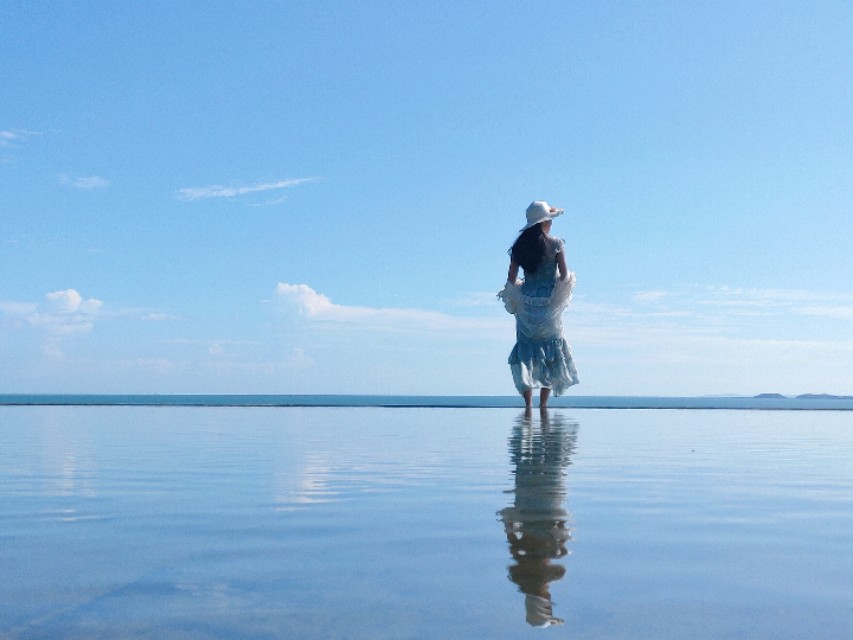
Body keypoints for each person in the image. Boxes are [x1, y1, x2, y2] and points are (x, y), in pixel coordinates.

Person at [498, 201, 579, 412]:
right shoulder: (556, 245)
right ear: (544, 222)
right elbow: (564, 275)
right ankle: (543, 405)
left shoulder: (519, 248)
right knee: (551, 349)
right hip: (549, 303)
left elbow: (511, 279)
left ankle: (527, 406)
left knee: (526, 350)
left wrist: (525, 290)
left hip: (526, 303)